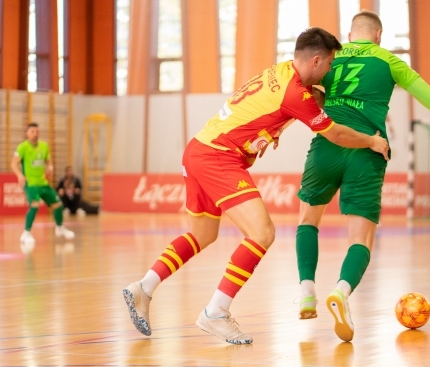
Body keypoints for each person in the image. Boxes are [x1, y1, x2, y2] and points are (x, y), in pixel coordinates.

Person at [122, 27, 390, 345]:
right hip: (218, 157)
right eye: (330, 64)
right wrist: (372, 141)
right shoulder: (295, 94)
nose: (329, 72)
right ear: (317, 60)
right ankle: (216, 311)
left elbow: (284, 104)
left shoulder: (278, 72)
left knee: (203, 234)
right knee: (262, 233)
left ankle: (144, 287)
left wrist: (274, 129)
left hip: (197, 149)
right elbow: (335, 134)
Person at [295, 11, 430, 342]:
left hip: (327, 144)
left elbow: (296, 92)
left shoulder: (330, 58)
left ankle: (306, 288)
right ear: (378, 35)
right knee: (361, 239)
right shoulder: (389, 61)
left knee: (308, 220)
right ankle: (341, 290)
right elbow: (429, 98)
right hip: (369, 150)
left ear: (350, 35)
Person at [11, 122, 75, 245]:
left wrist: (50, 167)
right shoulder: (22, 147)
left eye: (37, 132)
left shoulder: (44, 146)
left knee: (58, 204)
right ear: (27, 133)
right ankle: (26, 233)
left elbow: (49, 160)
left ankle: (60, 228)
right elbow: (14, 164)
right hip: (31, 184)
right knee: (34, 205)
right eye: (32, 132)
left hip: (43, 183)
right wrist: (20, 175)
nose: (35, 134)